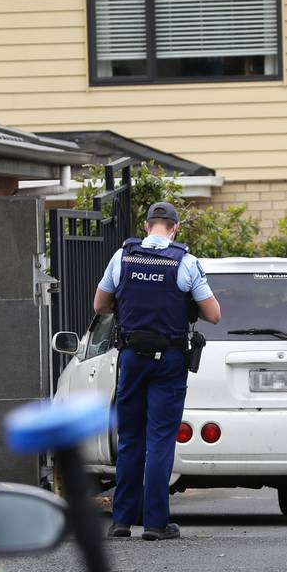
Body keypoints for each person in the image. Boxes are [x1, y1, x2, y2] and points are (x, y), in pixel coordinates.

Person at [93, 201, 221, 541]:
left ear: (147, 226)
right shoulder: (186, 262)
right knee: (160, 438)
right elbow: (213, 314)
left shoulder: (122, 257)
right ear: (175, 228)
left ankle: (121, 521)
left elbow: (100, 305)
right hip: (169, 359)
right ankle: (155, 523)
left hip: (132, 356)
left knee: (130, 436)